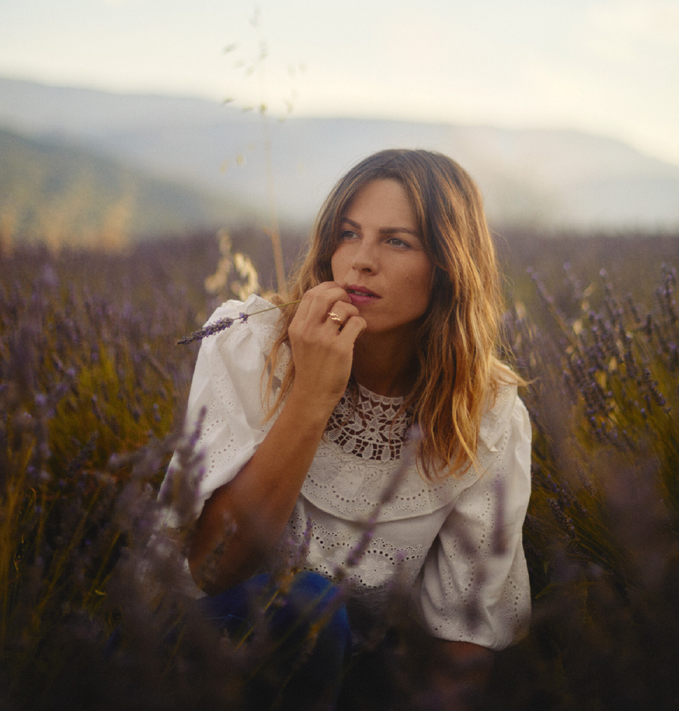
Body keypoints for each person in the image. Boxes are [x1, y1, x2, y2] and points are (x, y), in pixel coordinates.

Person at [159, 149, 532, 709]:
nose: (360, 261)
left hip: (360, 681)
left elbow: (463, 638)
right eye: (348, 234)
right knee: (305, 604)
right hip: (206, 664)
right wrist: (311, 394)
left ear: (449, 267)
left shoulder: (486, 409)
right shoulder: (251, 345)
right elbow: (212, 568)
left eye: (396, 241)